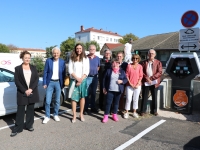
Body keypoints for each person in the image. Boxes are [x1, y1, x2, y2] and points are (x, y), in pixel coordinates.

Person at [10, 51, 39, 137]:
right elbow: (17, 81)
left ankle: (29, 125)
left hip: (32, 91)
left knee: (30, 109)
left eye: (29, 57)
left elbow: (36, 80)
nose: (27, 59)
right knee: (20, 110)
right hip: (22, 92)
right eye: (26, 57)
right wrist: (24, 90)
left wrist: (31, 89)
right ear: (22, 58)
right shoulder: (17, 69)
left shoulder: (33, 67)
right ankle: (18, 128)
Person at [42, 47, 66, 124]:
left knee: (57, 100)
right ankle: (47, 116)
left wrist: (63, 83)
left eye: (57, 53)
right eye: (54, 53)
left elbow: (64, 73)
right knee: (48, 101)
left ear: (59, 53)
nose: (56, 54)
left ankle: (56, 114)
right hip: (50, 83)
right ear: (52, 54)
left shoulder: (62, 62)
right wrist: (44, 83)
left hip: (58, 82)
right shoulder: (48, 61)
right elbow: (45, 72)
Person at [68, 43, 89, 123]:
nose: (79, 50)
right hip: (74, 80)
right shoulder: (72, 58)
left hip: (83, 81)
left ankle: (81, 114)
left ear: (82, 49)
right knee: (73, 99)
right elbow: (70, 70)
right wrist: (77, 78)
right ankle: (74, 116)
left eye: (80, 48)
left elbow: (87, 70)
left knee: (82, 97)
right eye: (77, 48)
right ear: (75, 49)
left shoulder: (85, 58)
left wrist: (80, 79)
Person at [102, 58, 127, 123]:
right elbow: (104, 80)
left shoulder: (122, 71)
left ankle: (114, 115)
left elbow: (125, 79)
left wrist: (122, 81)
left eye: (117, 63)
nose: (115, 64)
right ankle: (106, 116)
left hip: (118, 90)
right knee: (108, 103)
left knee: (116, 104)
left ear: (119, 64)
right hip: (110, 90)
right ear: (112, 64)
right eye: (113, 63)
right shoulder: (108, 71)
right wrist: (104, 88)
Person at [140, 49, 162, 116]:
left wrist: (151, 78)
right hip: (146, 82)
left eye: (152, 53)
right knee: (144, 96)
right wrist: (147, 78)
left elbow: (160, 72)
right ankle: (143, 111)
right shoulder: (143, 62)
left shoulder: (158, 62)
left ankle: (154, 111)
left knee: (154, 96)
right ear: (148, 54)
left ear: (155, 55)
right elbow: (142, 72)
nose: (151, 54)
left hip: (154, 82)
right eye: (150, 53)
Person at [124, 54, 143, 119]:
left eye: (136, 58)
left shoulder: (140, 66)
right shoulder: (129, 66)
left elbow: (141, 76)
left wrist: (138, 84)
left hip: (137, 85)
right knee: (128, 99)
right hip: (129, 85)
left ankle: (134, 112)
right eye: (134, 58)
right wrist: (130, 83)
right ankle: (126, 112)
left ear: (138, 59)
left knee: (135, 99)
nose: (135, 59)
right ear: (132, 59)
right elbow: (126, 75)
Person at [84, 45, 100, 115]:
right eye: (91, 49)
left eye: (93, 49)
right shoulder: (85, 57)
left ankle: (93, 107)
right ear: (89, 50)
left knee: (93, 93)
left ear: (95, 50)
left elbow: (98, 67)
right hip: (87, 77)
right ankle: (85, 108)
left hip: (95, 77)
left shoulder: (97, 58)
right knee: (86, 93)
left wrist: (95, 72)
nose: (92, 50)